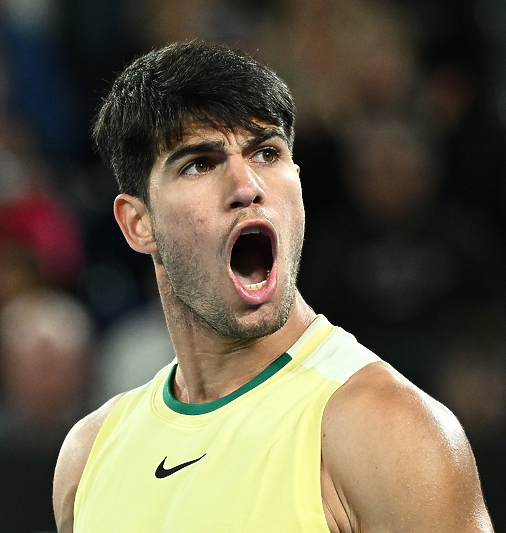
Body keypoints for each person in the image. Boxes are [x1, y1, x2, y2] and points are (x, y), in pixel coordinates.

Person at [53, 41, 493, 532]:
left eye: (266, 153)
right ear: (137, 223)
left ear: (298, 182)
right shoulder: (88, 456)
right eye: (199, 163)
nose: (247, 187)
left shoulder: (388, 432)